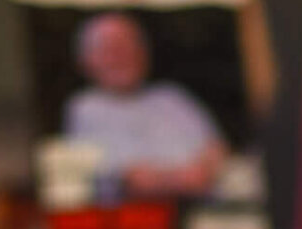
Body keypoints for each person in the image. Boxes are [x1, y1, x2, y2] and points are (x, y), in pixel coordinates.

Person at [63, 12, 228, 200]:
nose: (122, 55)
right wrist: (182, 178)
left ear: (144, 53)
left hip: (201, 219)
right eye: (111, 49)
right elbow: (130, 180)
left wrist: (176, 177)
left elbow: (216, 152)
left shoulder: (173, 98)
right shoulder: (85, 108)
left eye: (130, 45)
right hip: (134, 223)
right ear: (87, 60)